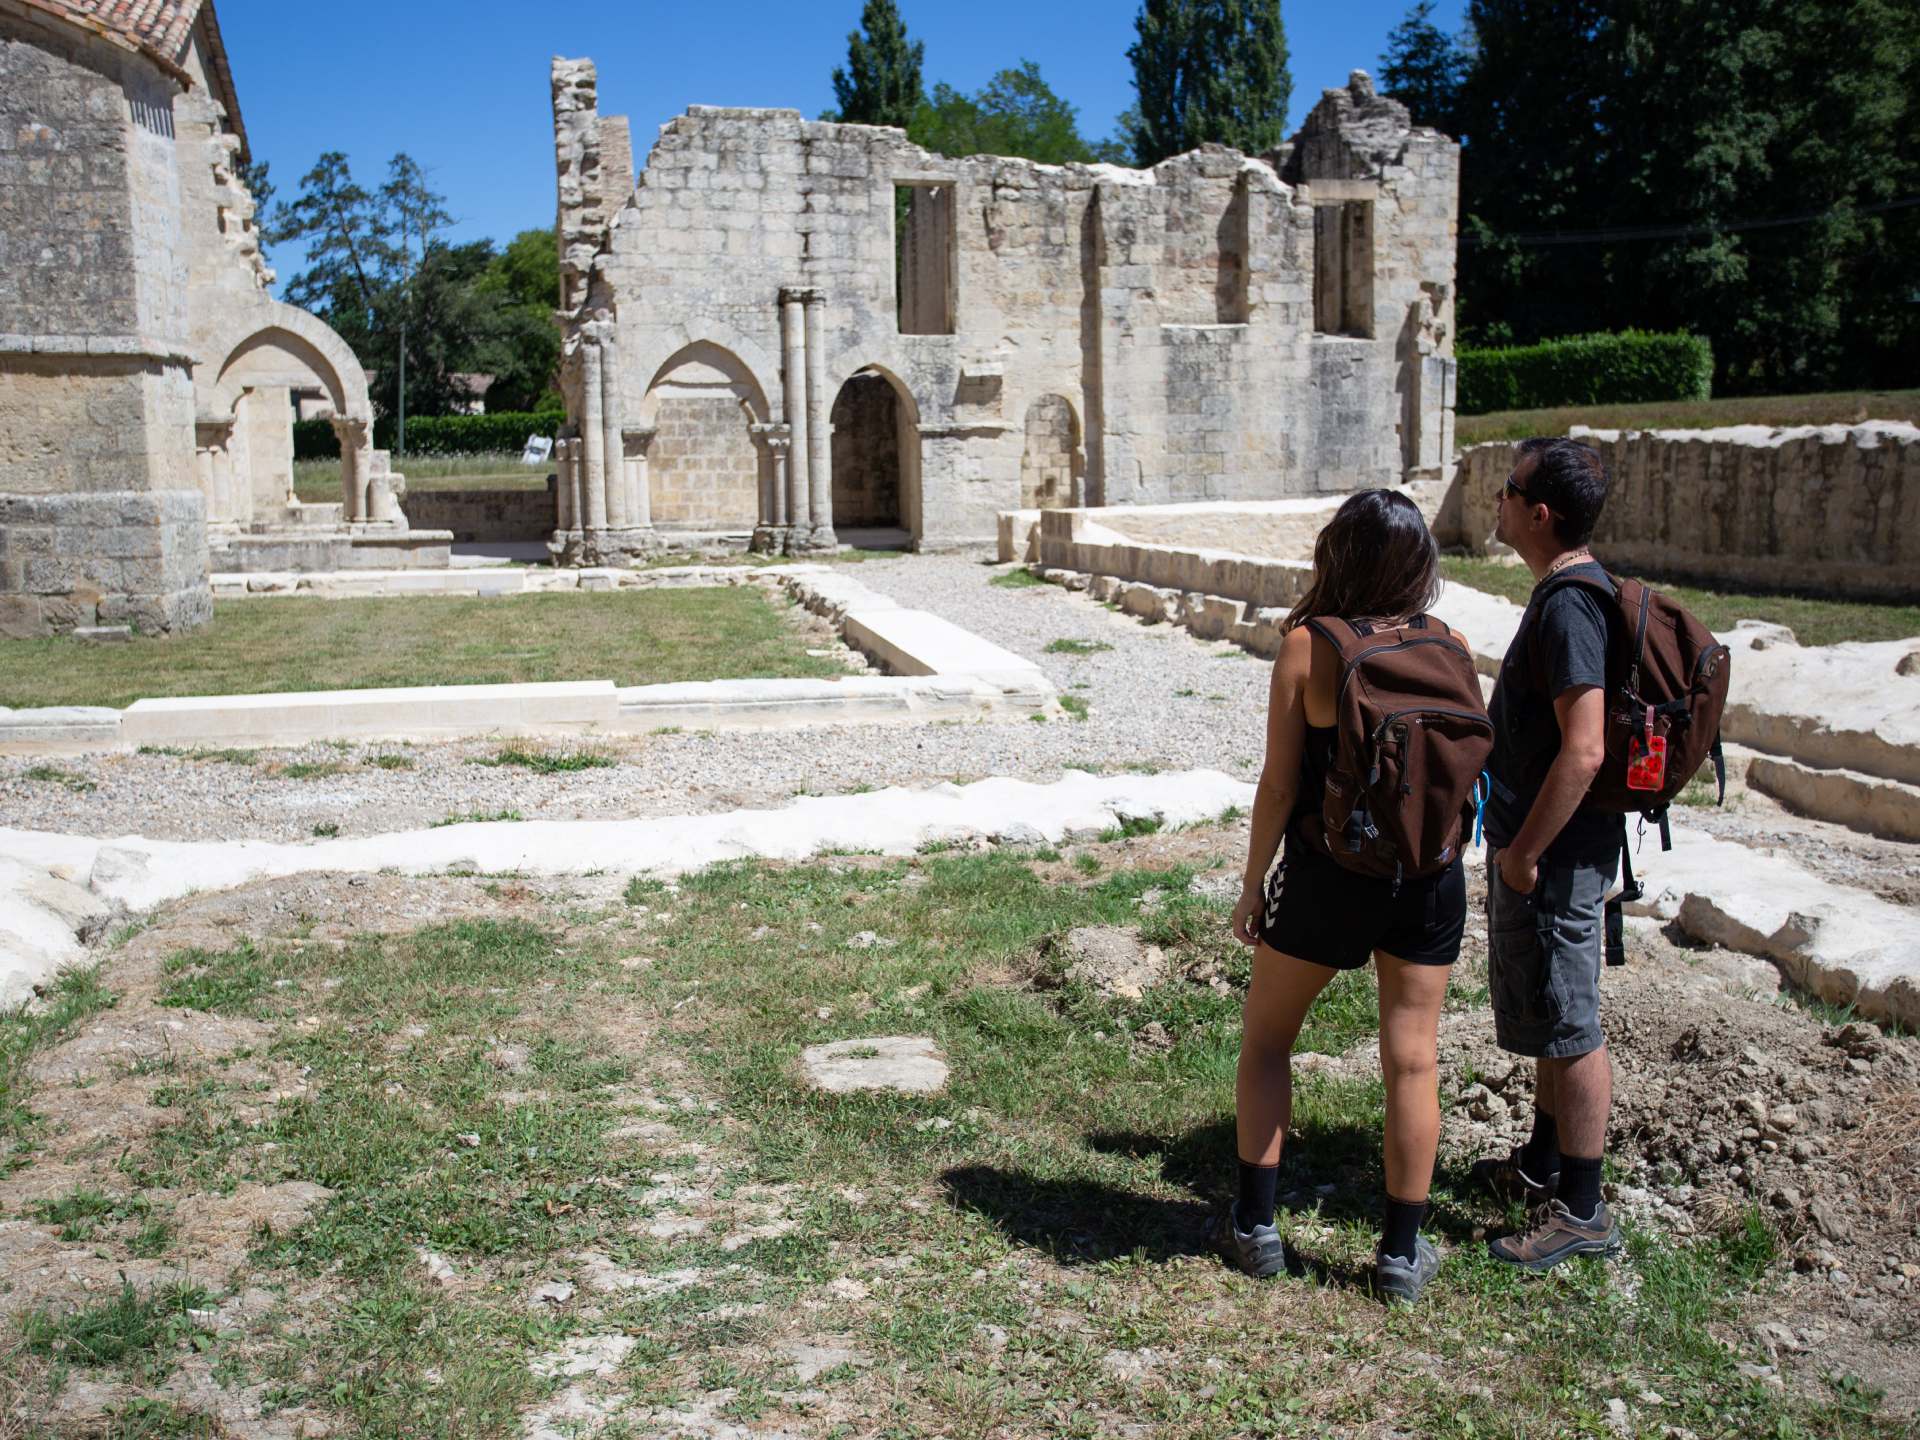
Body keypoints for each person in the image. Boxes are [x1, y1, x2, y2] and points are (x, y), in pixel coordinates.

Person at [1222, 489, 1477, 1304]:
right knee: (1412, 1058)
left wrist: (1253, 882)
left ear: (1341, 554)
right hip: (1427, 875)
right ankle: (1400, 1256)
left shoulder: (1309, 647)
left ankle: (1255, 1229)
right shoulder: (1452, 643)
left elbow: (1277, 785)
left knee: (1268, 1041)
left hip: (1330, 872)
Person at [1472, 436, 1626, 1271]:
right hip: (1546, 849)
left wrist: (1526, 851)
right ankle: (1542, 1162)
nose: (1495, 499)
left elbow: (1586, 749)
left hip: (1557, 854)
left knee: (1571, 1021)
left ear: (1539, 513)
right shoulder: (1563, 592)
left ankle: (1583, 1207)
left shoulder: (1569, 605)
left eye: (1508, 488)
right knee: (1549, 1007)